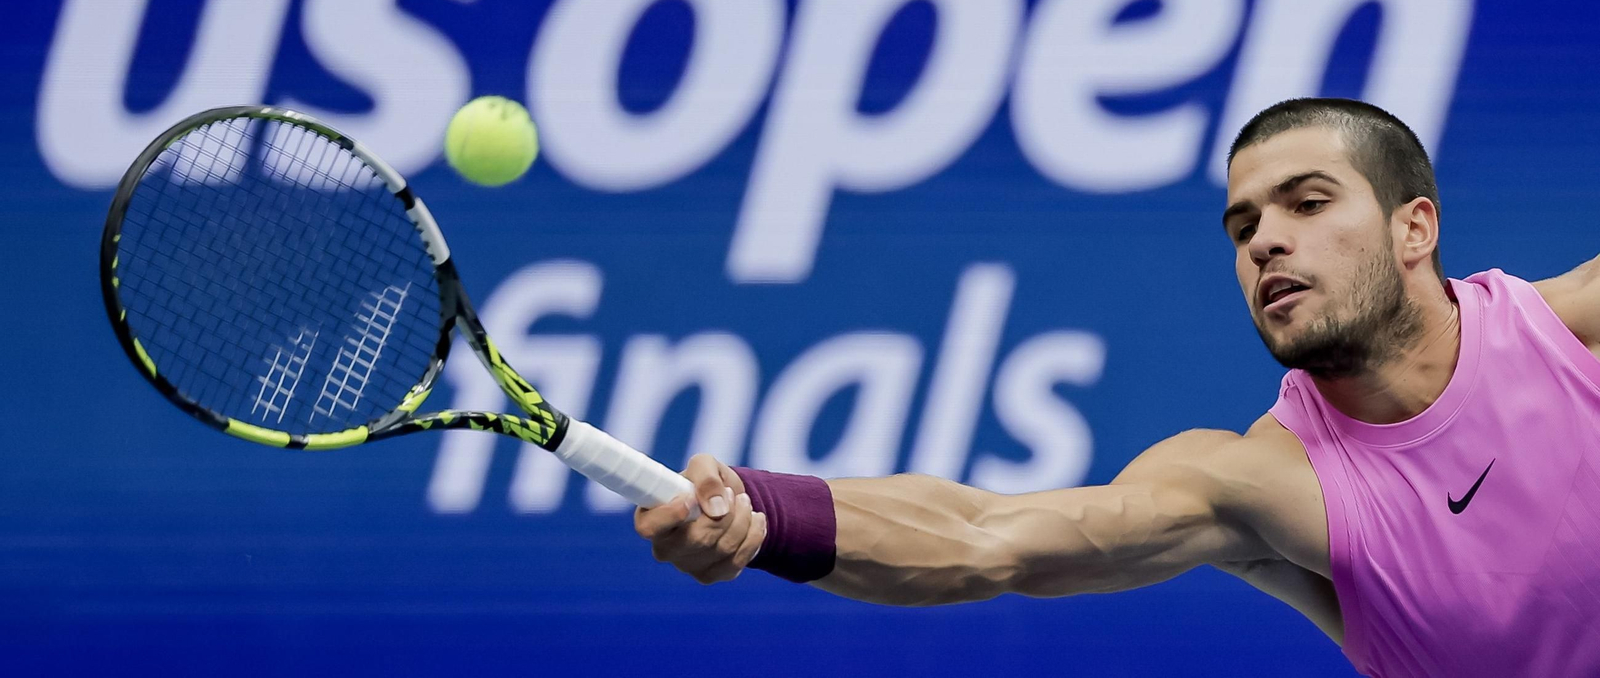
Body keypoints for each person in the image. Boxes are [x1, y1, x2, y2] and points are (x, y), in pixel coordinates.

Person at [634, 98, 1600, 678]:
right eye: (1242, 224)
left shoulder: (1576, 328)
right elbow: (985, 539)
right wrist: (763, 517)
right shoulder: (1256, 483)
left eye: (1308, 203)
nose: (1265, 239)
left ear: (1414, 229)